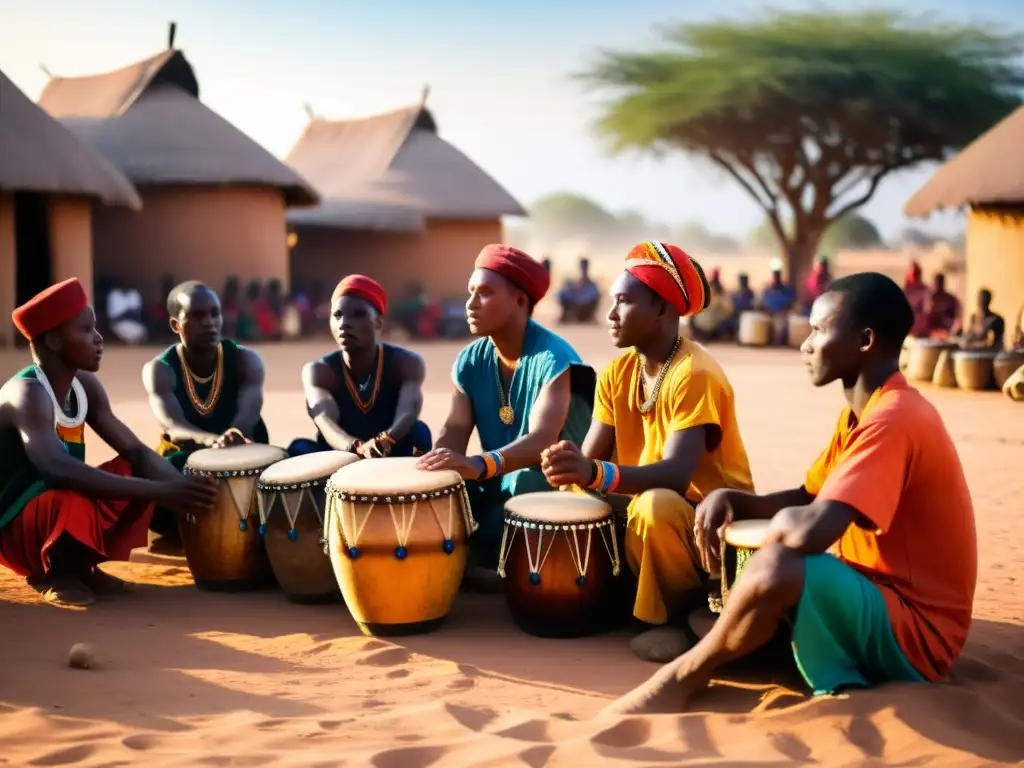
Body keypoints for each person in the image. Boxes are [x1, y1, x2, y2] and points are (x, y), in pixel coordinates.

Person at [603, 272, 977, 715]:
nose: (805, 343)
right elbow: (807, 493)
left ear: (864, 340)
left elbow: (812, 532)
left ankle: (685, 674)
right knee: (770, 569)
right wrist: (733, 500)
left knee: (780, 563)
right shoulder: (864, 413)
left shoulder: (895, 418)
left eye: (819, 330)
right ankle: (743, 640)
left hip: (917, 633)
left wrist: (773, 532)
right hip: (876, 596)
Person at [541, 242, 754, 662]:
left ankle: (675, 619)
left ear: (661, 309)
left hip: (711, 528)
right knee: (576, 501)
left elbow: (676, 475)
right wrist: (567, 467)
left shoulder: (694, 373)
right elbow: (591, 460)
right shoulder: (618, 373)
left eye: (623, 301)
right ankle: (611, 595)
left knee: (653, 506)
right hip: (655, 515)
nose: (610, 314)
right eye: (611, 302)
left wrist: (592, 473)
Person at [0, 279, 218, 606]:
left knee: (136, 468)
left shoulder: (83, 386)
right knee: (71, 496)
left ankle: (80, 567)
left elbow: (136, 452)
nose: (99, 339)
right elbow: (56, 470)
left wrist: (184, 491)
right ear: (55, 341)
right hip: (14, 528)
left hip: (53, 508)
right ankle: (53, 573)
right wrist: (163, 492)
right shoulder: (28, 394)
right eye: (87, 330)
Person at [417, 244, 595, 568]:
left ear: (520, 301)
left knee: (519, 487)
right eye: (470, 292)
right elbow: (455, 428)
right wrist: (439, 466)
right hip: (498, 478)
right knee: (442, 493)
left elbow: (542, 440)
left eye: (484, 293)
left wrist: (479, 465)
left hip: (554, 486)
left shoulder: (554, 358)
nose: (471, 304)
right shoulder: (470, 361)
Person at [142, 281, 268, 552]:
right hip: (187, 459)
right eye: (198, 316)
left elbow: (250, 411)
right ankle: (181, 529)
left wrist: (232, 438)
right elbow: (173, 426)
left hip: (242, 453)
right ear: (176, 325)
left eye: (215, 313)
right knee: (146, 477)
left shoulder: (246, 360)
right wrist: (213, 442)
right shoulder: (160, 369)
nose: (210, 322)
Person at [288, 275, 432, 459]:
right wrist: (356, 447)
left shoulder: (405, 363)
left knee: (420, 432)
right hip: (342, 456)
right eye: (337, 315)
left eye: (358, 314)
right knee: (298, 449)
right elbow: (324, 418)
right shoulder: (319, 371)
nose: (344, 323)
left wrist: (385, 440)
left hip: (389, 450)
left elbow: (409, 409)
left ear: (379, 322)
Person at [557, 258, 601, 323]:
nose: (583, 269)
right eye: (583, 266)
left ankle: (588, 316)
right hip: (578, 308)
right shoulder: (573, 284)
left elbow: (593, 297)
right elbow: (562, 295)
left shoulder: (591, 285)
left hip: (583, 309)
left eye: (584, 266)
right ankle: (569, 315)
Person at [926, 273, 961, 337]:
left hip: (948, 333)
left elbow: (957, 319)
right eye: (937, 282)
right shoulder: (929, 299)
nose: (939, 285)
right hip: (932, 334)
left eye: (940, 282)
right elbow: (926, 318)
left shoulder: (950, 299)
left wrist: (954, 329)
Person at [903, 262, 930, 338]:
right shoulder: (905, 292)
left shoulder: (926, 290)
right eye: (913, 274)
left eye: (916, 273)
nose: (915, 276)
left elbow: (928, 311)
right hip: (909, 333)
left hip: (922, 331)